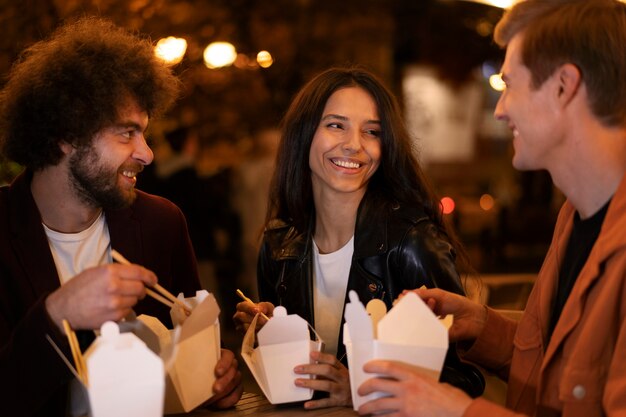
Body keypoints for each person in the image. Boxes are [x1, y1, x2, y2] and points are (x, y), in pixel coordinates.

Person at [356, 1, 626, 416]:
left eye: (510, 84)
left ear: (563, 85)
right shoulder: (576, 216)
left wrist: (455, 410)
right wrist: (482, 325)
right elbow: (568, 378)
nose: (500, 110)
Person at [0, 17, 242, 416]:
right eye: (126, 133)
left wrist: (214, 378)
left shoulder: (162, 223)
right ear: (66, 134)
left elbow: (188, 363)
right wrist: (58, 313)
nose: (147, 153)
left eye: (144, 133)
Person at [233, 67, 485, 409]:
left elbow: (466, 379)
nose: (354, 145)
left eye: (372, 131)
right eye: (336, 125)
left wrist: (362, 389)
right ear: (303, 135)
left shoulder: (411, 243)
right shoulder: (278, 246)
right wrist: (270, 337)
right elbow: (297, 383)